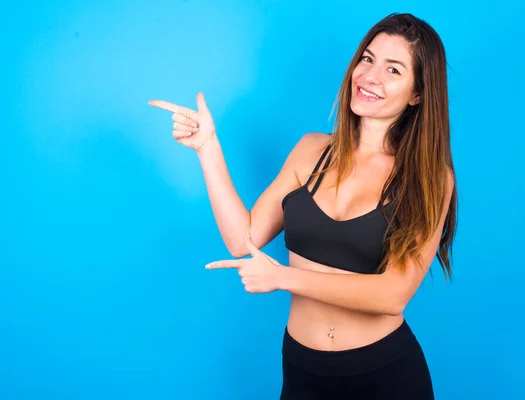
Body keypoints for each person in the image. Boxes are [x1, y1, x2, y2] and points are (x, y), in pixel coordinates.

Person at [149, 12, 457, 400]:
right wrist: (208, 148)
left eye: (393, 70)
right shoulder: (311, 150)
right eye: (367, 59)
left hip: (386, 374)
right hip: (302, 370)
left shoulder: (428, 177)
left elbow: (393, 294)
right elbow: (243, 240)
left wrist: (282, 278)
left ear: (417, 93)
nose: (371, 76)